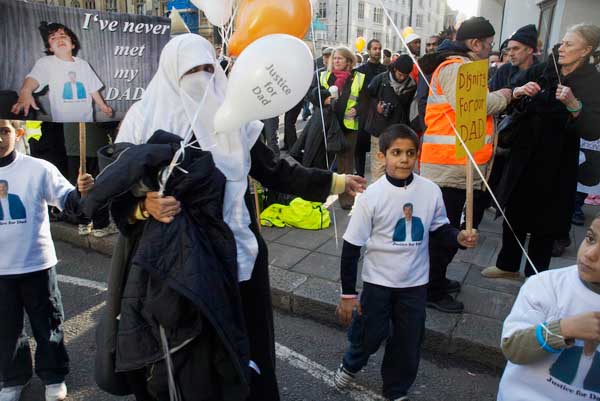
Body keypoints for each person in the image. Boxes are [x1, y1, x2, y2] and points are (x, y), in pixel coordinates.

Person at [104, 34, 367, 401]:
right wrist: (143, 207)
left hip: (240, 257)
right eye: (191, 70)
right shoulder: (142, 122)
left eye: (208, 68)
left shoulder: (234, 115)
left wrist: (338, 181)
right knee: (191, 363)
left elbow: (275, 169)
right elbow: (116, 192)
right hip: (179, 268)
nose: (202, 78)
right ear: (170, 72)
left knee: (246, 352)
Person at [333, 124, 478, 401]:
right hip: (378, 283)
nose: (404, 159)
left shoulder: (430, 191)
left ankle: (396, 389)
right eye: (396, 152)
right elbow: (352, 248)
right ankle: (351, 363)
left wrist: (458, 237)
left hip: (414, 284)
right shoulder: (371, 197)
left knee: (408, 341)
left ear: (417, 156)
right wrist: (348, 295)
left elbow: (438, 228)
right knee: (370, 334)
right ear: (382, 155)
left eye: (410, 153)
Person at [482, 24, 600, 279]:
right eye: (563, 42)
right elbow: (514, 95)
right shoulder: (545, 68)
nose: (562, 48)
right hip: (525, 153)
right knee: (514, 209)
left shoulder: (592, 81)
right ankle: (507, 265)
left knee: (546, 220)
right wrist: (522, 93)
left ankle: (536, 274)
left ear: (586, 50)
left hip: (558, 160)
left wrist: (573, 104)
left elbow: (593, 129)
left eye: (569, 44)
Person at [420, 16, 512, 313]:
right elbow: (477, 105)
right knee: (444, 234)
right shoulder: (456, 67)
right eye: (488, 43)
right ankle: (431, 290)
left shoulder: (459, 66)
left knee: (449, 231)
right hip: (448, 169)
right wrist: (507, 95)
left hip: (457, 167)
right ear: (475, 43)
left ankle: (437, 280)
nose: (490, 49)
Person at [0, 119, 92, 401]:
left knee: (47, 323)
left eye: (3, 131)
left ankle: (53, 376)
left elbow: (70, 203)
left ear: (18, 133)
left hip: (36, 264)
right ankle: (13, 378)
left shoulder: (38, 169)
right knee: (5, 328)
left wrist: (82, 192)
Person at [496, 213, 600, 401]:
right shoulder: (546, 285)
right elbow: (512, 348)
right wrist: (564, 329)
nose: (589, 254)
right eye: (590, 239)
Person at [11, 22, 112, 122]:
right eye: (53, 38)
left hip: (86, 119)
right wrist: (25, 92)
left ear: (73, 44)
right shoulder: (46, 62)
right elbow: (34, 78)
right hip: (62, 120)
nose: (59, 39)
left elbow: (93, 89)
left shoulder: (83, 64)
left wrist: (103, 106)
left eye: (63, 36)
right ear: (50, 48)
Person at [313, 46, 367, 209]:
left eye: (340, 58)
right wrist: (324, 100)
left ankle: (347, 200)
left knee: (346, 165)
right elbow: (313, 96)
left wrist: (357, 109)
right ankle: (318, 197)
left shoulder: (359, 77)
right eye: (334, 58)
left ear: (349, 61)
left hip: (348, 127)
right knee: (323, 162)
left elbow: (366, 100)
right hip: (328, 125)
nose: (336, 61)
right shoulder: (323, 76)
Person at [365, 55, 417, 180]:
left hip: (399, 131)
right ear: (394, 69)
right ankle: (378, 194)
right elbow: (366, 97)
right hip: (379, 129)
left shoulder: (411, 85)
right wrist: (376, 106)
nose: (402, 77)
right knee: (379, 165)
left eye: (405, 75)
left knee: (397, 166)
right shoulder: (381, 79)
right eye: (400, 74)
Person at [355, 39, 387, 178]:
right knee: (360, 148)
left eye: (379, 48)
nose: (377, 51)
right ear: (368, 51)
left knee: (380, 148)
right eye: (374, 48)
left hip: (381, 115)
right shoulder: (359, 71)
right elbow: (355, 93)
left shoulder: (386, 70)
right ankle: (360, 175)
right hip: (363, 113)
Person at [489, 24, 539, 92]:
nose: (510, 54)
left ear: (529, 50)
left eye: (516, 49)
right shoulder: (504, 71)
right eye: (508, 49)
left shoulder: (541, 73)